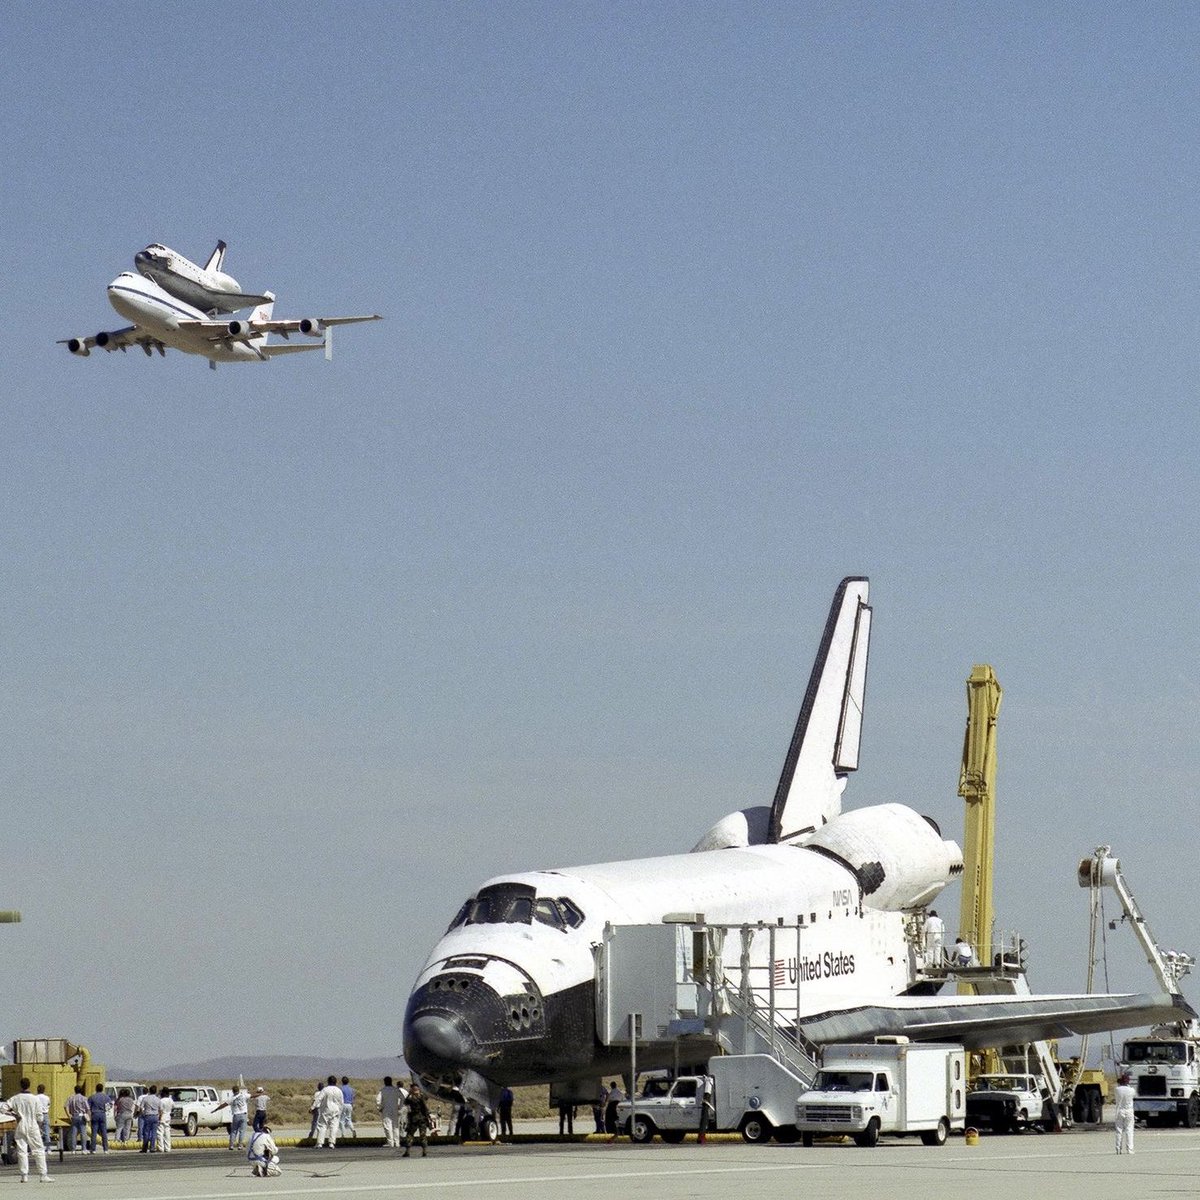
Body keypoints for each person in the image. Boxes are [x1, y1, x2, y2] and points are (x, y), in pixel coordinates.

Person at [4, 1077, 52, 1183]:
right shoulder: (34, 1099)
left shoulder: (15, 1098)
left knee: (22, 1151)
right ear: (29, 1085)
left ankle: (24, 1175)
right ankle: (43, 1175)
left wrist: (14, 1115)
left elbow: (3, 1108)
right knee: (39, 1149)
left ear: (20, 1085)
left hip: (20, 1124)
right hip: (32, 1125)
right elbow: (40, 1116)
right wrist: (39, 1126)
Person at [312, 1076, 344, 1149]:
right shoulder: (339, 1091)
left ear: (328, 1081)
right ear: (335, 1082)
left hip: (325, 1110)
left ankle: (320, 1143)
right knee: (334, 1127)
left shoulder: (325, 1090)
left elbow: (318, 1099)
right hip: (336, 1110)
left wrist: (312, 1107)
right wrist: (340, 1111)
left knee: (322, 1126)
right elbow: (341, 1102)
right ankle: (331, 1143)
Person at [214, 1084, 250, 1149]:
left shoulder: (231, 1098)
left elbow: (224, 1105)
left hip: (236, 1115)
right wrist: (261, 1093)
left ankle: (231, 1145)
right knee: (242, 1131)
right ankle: (240, 1145)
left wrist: (216, 1109)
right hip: (244, 1115)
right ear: (239, 1090)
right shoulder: (244, 1096)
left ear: (232, 1091)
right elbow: (252, 1096)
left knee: (233, 1131)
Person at [402, 1084, 431, 1158]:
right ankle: (424, 1151)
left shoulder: (411, 1098)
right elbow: (426, 1099)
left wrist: (410, 1093)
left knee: (410, 1135)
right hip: (422, 1118)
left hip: (414, 1118)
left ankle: (407, 1151)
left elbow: (405, 1102)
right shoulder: (422, 1096)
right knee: (423, 1135)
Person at [377, 1076, 402, 1148]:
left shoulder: (382, 1091)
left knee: (387, 1126)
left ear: (385, 1082)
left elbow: (378, 1100)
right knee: (395, 1126)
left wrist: (379, 1108)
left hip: (386, 1110)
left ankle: (390, 1142)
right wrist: (399, 1106)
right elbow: (402, 1098)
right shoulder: (396, 1090)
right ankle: (397, 1142)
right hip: (395, 1109)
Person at [1114, 1072, 1135, 1154]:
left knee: (1119, 1131)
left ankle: (1118, 1149)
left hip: (1120, 1111)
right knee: (1129, 1130)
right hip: (1129, 1111)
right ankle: (1130, 1149)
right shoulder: (1131, 1090)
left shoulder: (1117, 1090)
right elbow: (1133, 1095)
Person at [65, 1085, 90, 1152]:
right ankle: (84, 1149)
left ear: (75, 1090)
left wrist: (68, 1115)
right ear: (81, 1090)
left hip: (74, 1116)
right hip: (82, 1116)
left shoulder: (71, 1098)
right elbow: (88, 1109)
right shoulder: (84, 1098)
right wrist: (88, 1116)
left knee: (74, 1133)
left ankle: (73, 1149)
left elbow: (65, 1106)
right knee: (83, 1133)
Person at [88, 1083, 111, 1153]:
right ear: (102, 1089)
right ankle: (106, 1149)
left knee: (94, 1132)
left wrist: (89, 1116)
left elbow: (88, 1107)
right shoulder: (106, 1097)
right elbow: (110, 1105)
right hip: (102, 1114)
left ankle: (93, 1149)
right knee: (104, 1132)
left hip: (94, 1114)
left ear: (96, 1089)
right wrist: (105, 1109)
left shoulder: (92, 1097)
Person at [139, 1086, 159, 1154]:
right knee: (154, 1133)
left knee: (146, 1132)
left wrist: (143, 1115)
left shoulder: (145, 1098)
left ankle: (145, 1148)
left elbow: (141, 1108)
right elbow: (161, 1109)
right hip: (155, 1116)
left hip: (147, 1116)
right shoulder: (158, 1099)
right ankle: (152, 1147)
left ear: (149, 1091)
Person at [698, 1074, 715, 1144]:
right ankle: (701, 1136)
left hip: (705, 1102)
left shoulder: (708, 1081)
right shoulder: (708, 1081)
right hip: (705, 1101)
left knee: (704, 1117)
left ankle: (701, 1136)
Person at [156, 1087, 173, 1152]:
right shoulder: (170, 1100)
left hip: (162, 1118)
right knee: (167, 1133)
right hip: (168, 1118)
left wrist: (159, 1118)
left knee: (160, 1133)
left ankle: (161, 1148)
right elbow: (173, 1106)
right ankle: (168, 1148)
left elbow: (160, 1110)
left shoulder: (161, 1101)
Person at [34, 1085, 50, 1150]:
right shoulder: (47, 1097)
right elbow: (49, 1105)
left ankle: (38, 1147)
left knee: (37, 1132)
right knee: (46, 1132)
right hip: (45, 1114)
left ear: (37, 1090)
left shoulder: (35, 1097)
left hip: (37, 1114)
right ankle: (48, 1148)